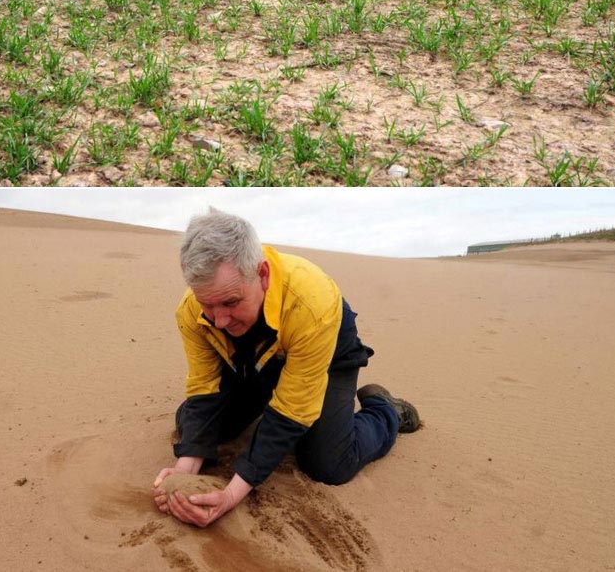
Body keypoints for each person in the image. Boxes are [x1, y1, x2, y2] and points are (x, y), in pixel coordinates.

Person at [152, 208, 420, 528]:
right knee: (193, 425)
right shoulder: (191, 311)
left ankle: (384, 409)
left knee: (328, 464)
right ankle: (265, 399)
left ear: (262, 274)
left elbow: (294, 406)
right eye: (207, 304)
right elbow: (204, 386)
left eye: (231, 302)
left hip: (326, 352)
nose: (219, 319)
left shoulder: (312, 301)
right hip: (258, 360)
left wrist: (232, 494)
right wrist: (186, 467)